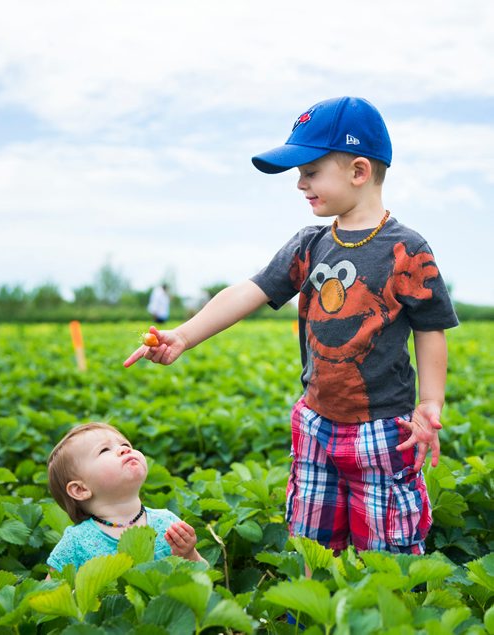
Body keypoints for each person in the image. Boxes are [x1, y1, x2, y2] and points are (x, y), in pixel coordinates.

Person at [124, 96, 458, 555]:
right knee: (310, 543)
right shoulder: (311, 243)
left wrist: (430, 403)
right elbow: (250, 290)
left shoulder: (407, 249)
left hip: (383, 429)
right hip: (315, 422)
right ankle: (306, 617)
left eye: (311, 171)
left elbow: (430, 327)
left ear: (359, 171)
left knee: (387, 551)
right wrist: (184, 335)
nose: (300, 184)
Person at [46, 422, 205, 572]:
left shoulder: (167, 523)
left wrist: (189, 554)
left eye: (125, 445)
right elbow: (49, 592)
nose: (124, 450)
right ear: (80, 489)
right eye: (104, 450)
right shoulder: (75, 543)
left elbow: (203, 574)